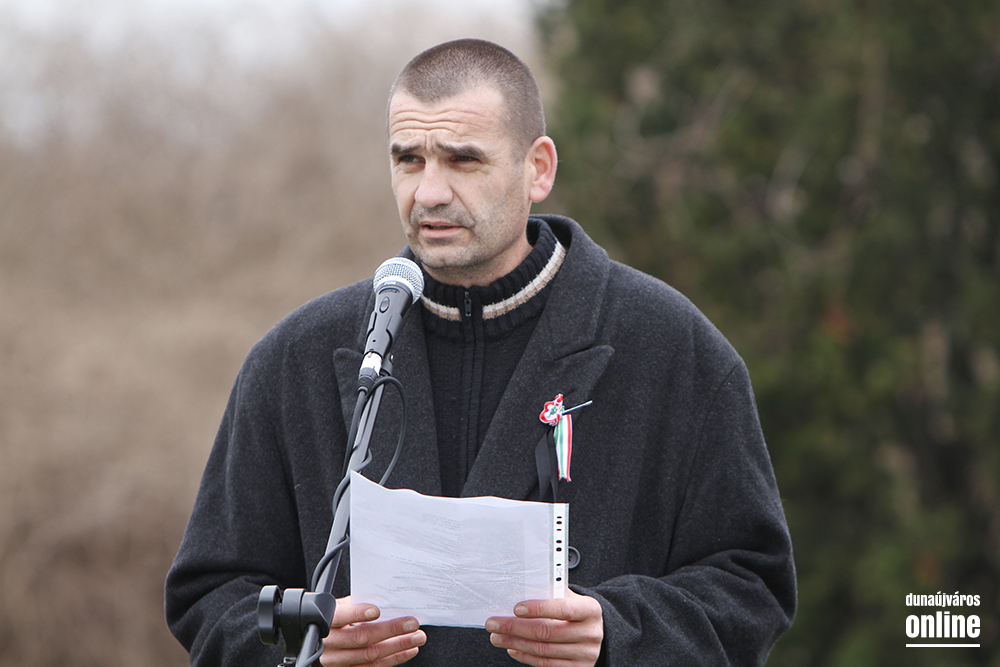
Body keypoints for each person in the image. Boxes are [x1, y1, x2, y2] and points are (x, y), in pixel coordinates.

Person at [165, 38, 796, 666]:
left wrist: (616, 632)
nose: (428, 192)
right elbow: (211, 596)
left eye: (462, 160)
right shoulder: (292, 360)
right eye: (408, 159)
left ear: (538, 169)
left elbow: (753, 587)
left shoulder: (674, 349)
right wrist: (308, 644)